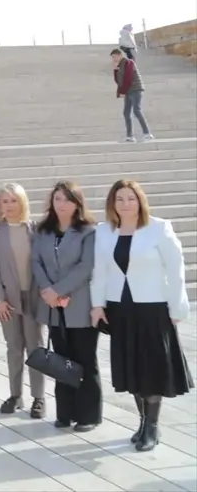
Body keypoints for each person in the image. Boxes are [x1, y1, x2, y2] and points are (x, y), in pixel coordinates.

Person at [90, 180, 192, 452]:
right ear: (112, 203)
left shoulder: (158, 228)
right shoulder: (104, 231)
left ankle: (153, 426)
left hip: (152, 308)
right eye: (119, 199)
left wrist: (177, 306)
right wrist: (97, 304)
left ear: (140, 201)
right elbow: (100, 270)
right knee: (131, 367)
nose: (125, 204)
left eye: (130, 198)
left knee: (151, 367)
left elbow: (176, 269)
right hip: (119, 309)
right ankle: (143, 420)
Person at [32, 181, 101, 431]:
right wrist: (49, 291)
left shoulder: (88, 231)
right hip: (53, 306)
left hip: (80, 304)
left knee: (84, 360)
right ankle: (65, 412)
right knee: (62, 361)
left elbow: (86, 266)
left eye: (67, 199)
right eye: (58, 199)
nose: (62, 204)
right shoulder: (43, 231)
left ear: (77, 204)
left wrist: (60, 290)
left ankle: (88, 415)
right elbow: (36, 262)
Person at [0, 183, 46, 419]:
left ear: (22, 202)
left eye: (13, 200)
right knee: (14, 347)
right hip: (7, 299)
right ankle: (15, 395)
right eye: (4, 201)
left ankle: (39, 398)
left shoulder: (35, 229)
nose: (9, 206)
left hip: (33, 296)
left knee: (35, 347)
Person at [111, 48, 153, 143]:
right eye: (112, 58)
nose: (113, 59)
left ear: (119, 55)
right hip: (128, 91)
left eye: (114, 57)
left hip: (135, 89)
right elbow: (118, 81)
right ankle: (130, 136)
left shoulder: (128, 63)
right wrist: (115, 70)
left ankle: (147, 134)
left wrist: (123, 91)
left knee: (136, 110)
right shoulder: (120, 66)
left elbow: (128, 78)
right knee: (126, 112)